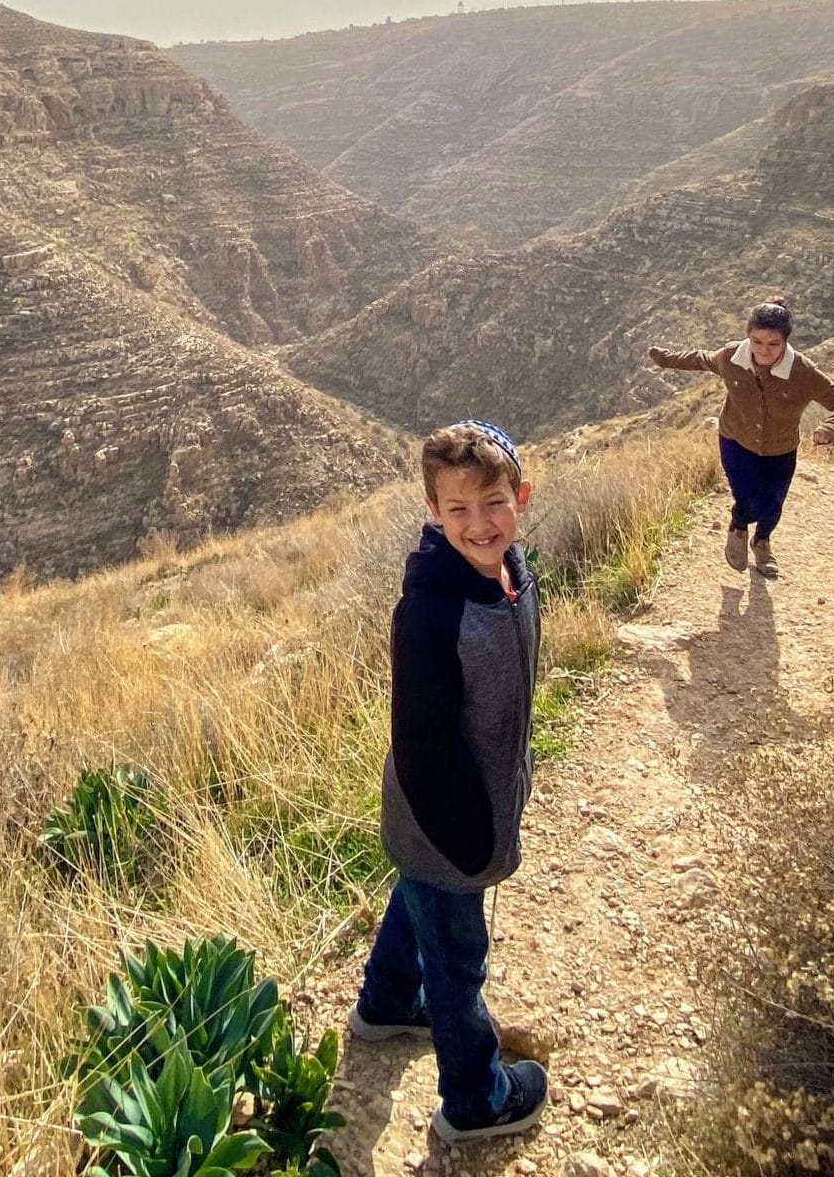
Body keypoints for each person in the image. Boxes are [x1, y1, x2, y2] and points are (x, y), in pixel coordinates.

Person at [349, 419, 552, 1145]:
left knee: (420, 900)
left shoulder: (511, 573)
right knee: (459, 964)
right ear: (433, 513)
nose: (479, 523)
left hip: (468, 811)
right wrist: (468, 841)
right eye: (457, 510)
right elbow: (424, 743)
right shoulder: (431, 611)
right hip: (447, 822)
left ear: (520, 497)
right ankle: (474, 1098)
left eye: (493, 503)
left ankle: (385, 1003)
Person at [649, 299, 834, 576]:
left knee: (772, 506)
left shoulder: (803, 372)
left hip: (781, 448)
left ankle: (762, 542)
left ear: (785, 341)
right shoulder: (731, 357)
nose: (763, 350)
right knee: (748, 501)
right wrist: (665, 359)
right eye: (756, 341)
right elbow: (701, 359)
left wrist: (831, 429)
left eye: (773, 344)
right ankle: (738, 526)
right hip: (735, 440)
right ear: (748, 336)